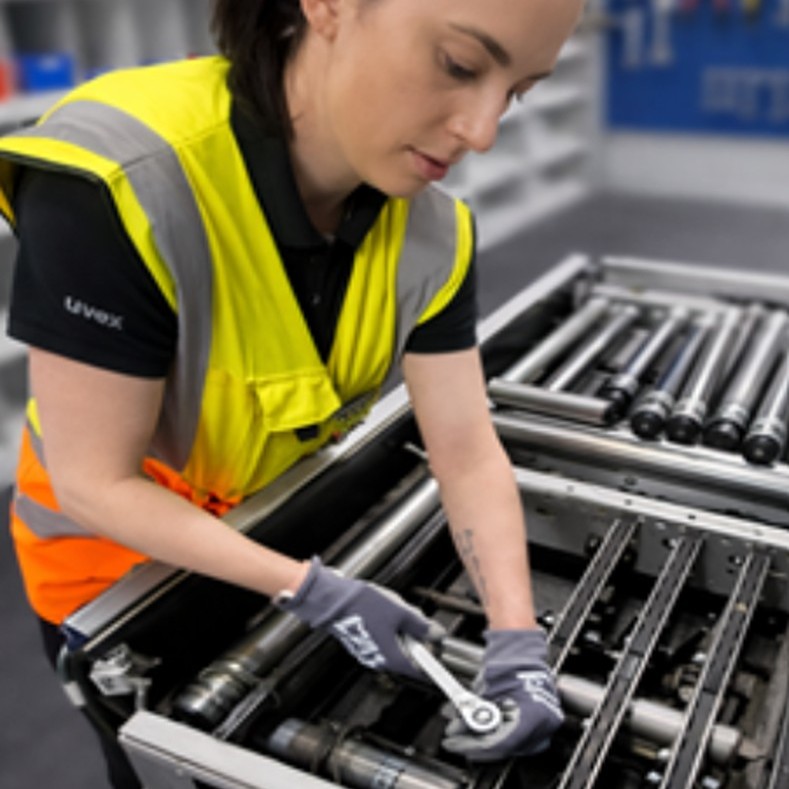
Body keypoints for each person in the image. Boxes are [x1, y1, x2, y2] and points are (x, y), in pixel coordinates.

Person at [1, 0, 583, 786]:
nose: (482, 133)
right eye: (457, 65)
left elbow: (468, 452)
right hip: (114, 577)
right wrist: (311, 589)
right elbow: (92, 481)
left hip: (270, 533)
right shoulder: (127, 173)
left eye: (516, 92)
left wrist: (518, 641)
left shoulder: (433, 236)